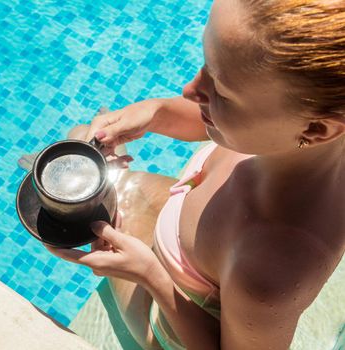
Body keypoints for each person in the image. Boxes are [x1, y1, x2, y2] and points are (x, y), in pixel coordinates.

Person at [46, 0, 345, 349]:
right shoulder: (299, 135)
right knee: (86, 141)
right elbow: (220, 126)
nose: (190, 90)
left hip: (171, 319)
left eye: (222, 92)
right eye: (207, 66)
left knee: (78, 151)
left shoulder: (267, 269)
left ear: (318, 129)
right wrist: (155, 112)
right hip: (193, 238)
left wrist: (149, 275)